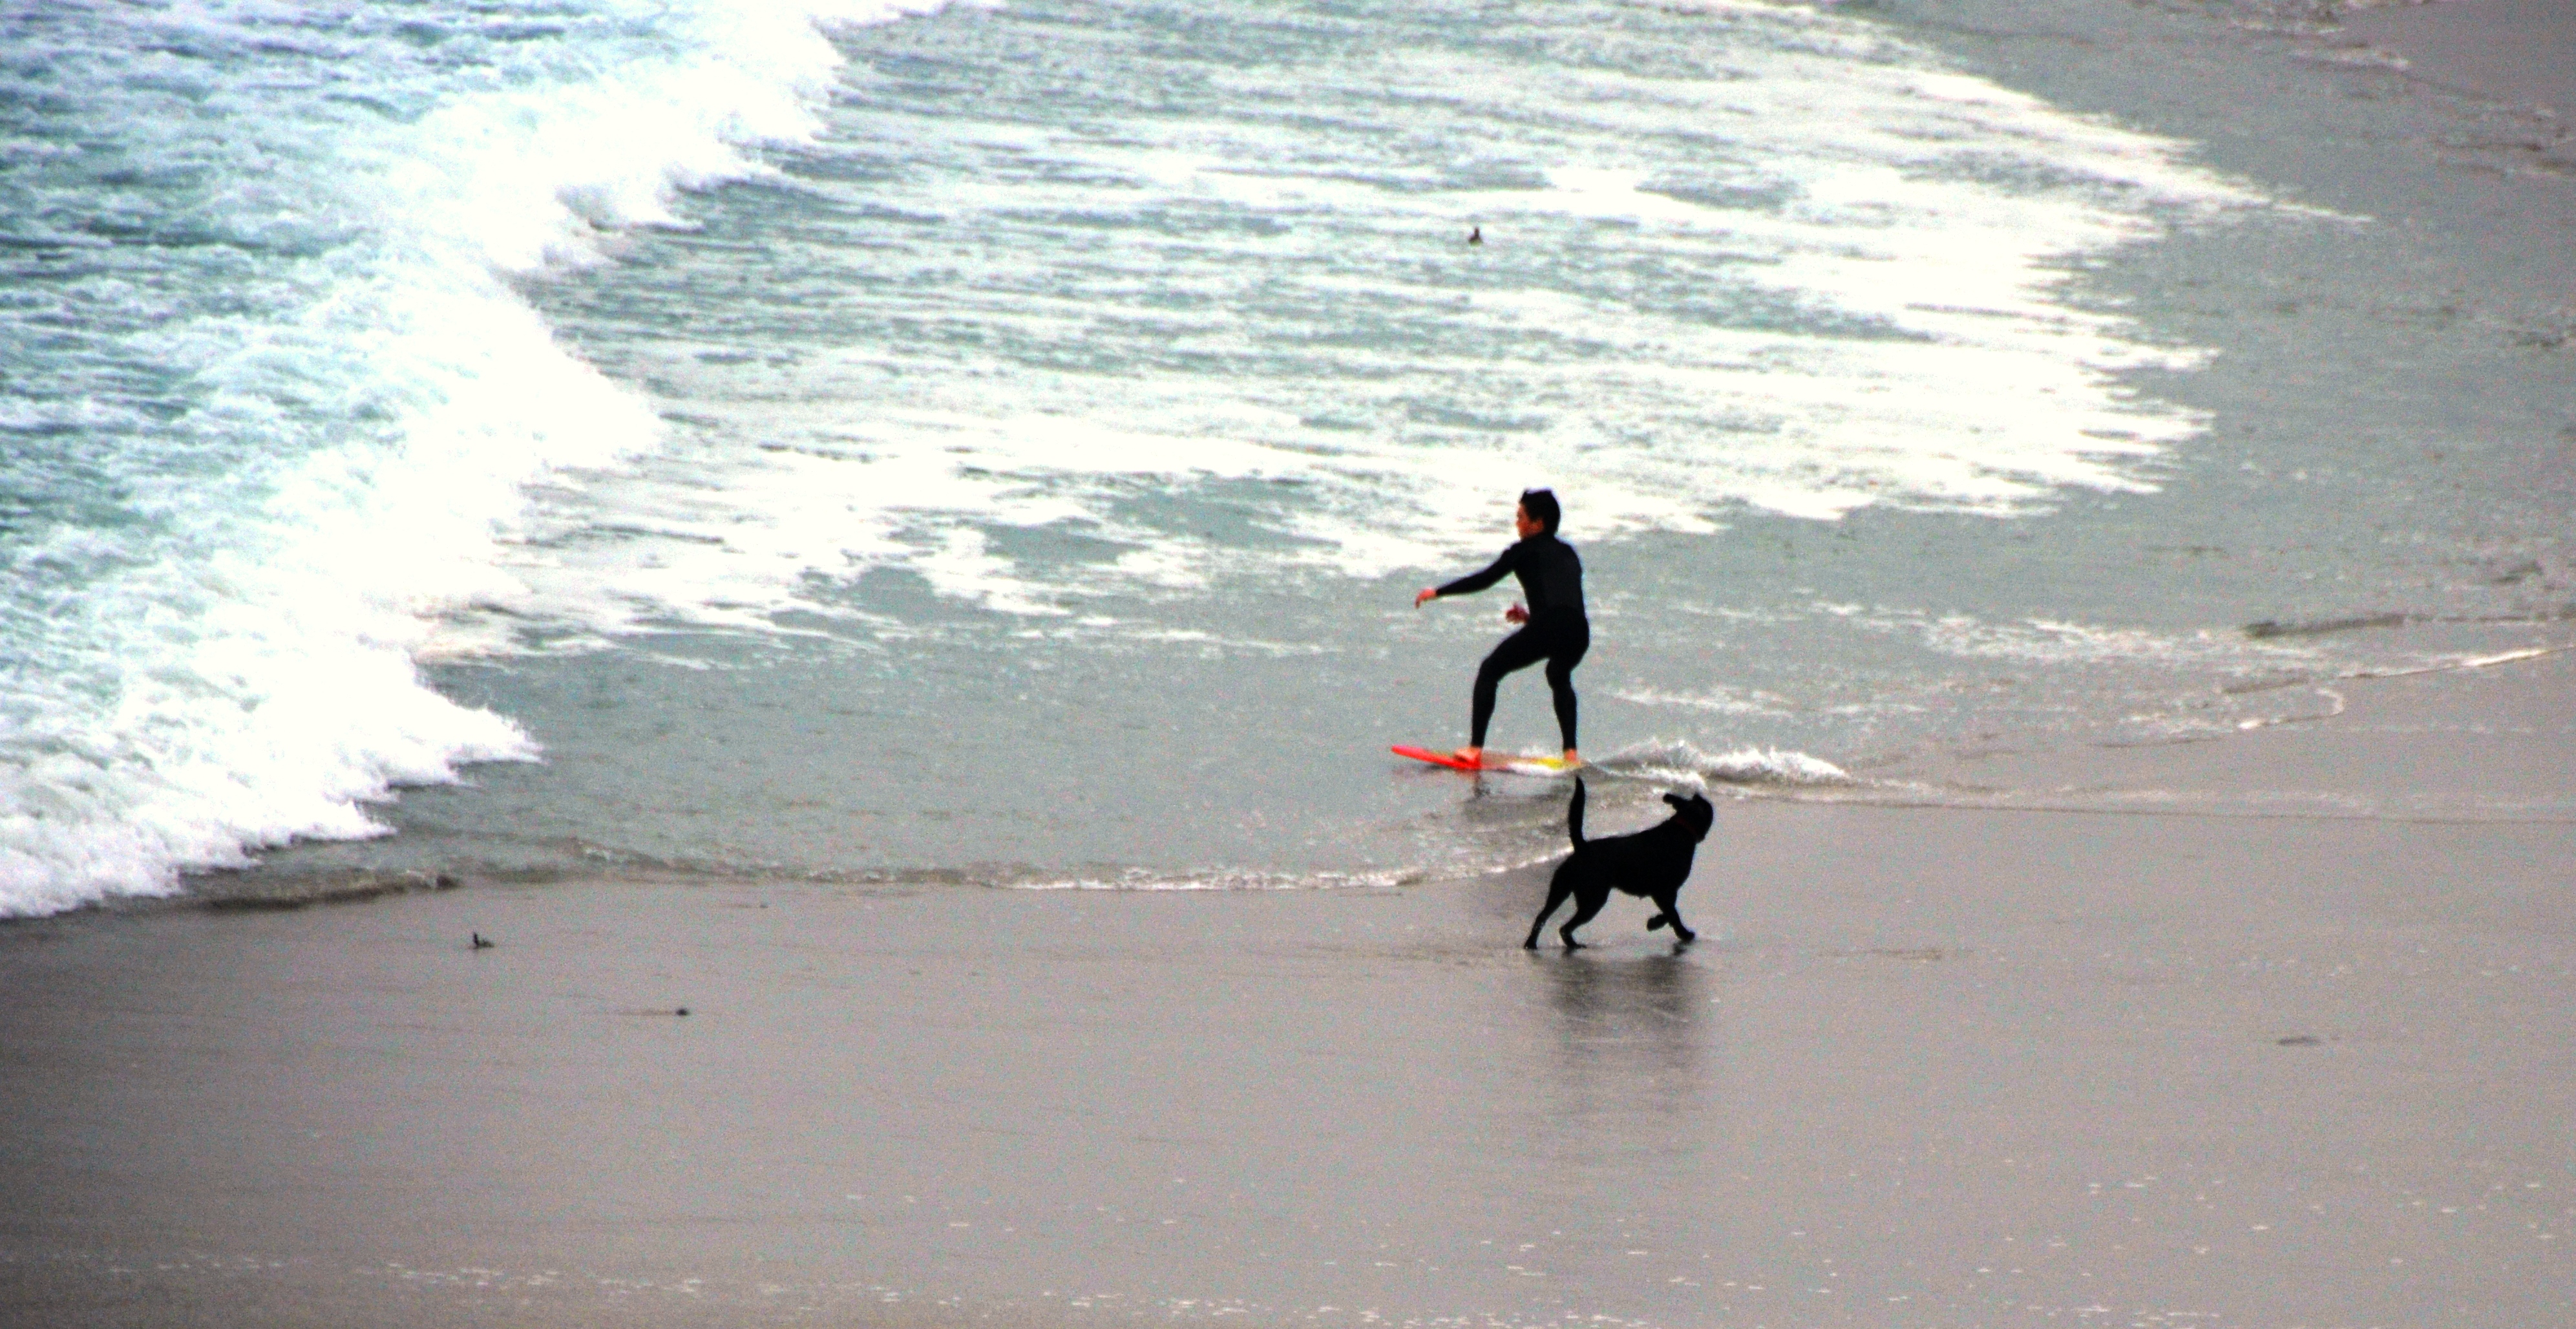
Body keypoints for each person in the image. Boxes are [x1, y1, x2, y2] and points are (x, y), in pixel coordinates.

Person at [1413, 488, 1587, 767]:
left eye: (1520, 517)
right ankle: (1571, 754)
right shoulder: (1569, 553)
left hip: (1551, 625)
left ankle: (1474, 749)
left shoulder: (1522, 551)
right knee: (1558, 673)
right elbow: (1564, 604)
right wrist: (1533, 619)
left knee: (1490, 670)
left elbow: (1485, 580)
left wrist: (1438, 591)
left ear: (1537, 523)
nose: (1516, 523)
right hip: (1579, 631)